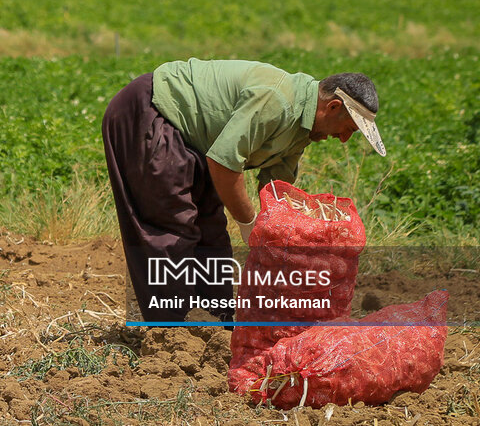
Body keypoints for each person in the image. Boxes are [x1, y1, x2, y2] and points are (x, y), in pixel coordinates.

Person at [101, 59, 384, 323]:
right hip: (153, 112)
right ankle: (171, 335)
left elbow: (275, 190)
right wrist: (249, 225)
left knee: (210, 228)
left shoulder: (303, 129)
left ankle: (216, 325)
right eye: (348, 128)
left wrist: (282, 243)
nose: (344, 139)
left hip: (195, 140)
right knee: (173, 227)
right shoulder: (278, 101)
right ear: (332, 107)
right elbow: (224, 163)